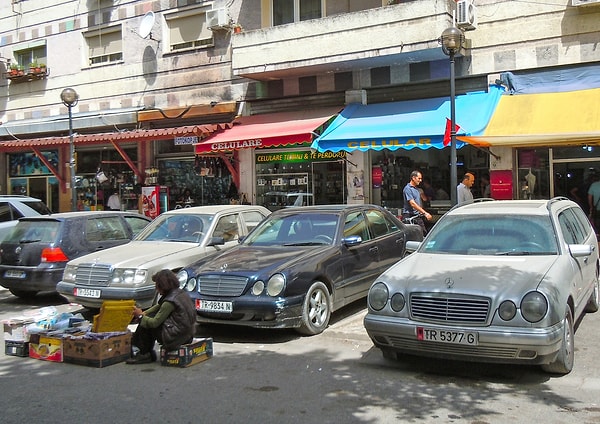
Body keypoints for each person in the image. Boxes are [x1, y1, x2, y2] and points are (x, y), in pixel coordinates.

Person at [127, 269, 197, 364]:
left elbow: (155, 322)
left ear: (162, 286)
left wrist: (140, 316)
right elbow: (158, 306)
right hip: (187, 335)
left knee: (146, 323)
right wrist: (144, 313)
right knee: (147, 317)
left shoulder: (169, 302)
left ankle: (144, 354)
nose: (156, 288)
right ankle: (145, 352)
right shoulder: (179, 293)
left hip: (176, 338)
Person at [402, 170, 432, 235]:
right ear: (413, 178)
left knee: (423, 233)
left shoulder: (417, 189)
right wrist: (425, 213)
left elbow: (424, 199)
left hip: (417, 216)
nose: (420, 180)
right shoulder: (408, 189)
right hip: (410, 216)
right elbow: (412, 203)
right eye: (419, 178)